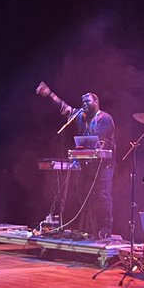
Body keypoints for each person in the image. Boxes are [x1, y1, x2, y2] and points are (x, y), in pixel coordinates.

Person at [36, 82, 116, 240]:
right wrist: (50, 94)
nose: (84, 104)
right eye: (83, 102)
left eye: (88, 101)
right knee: (84, 194)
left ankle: (105, 227)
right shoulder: (80, 116)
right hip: (86, 164)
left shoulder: (104, 118)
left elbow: (99, 143)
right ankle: (88, 226)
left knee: (102, 195)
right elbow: (64, 107)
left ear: (96, 102)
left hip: (103, 165)